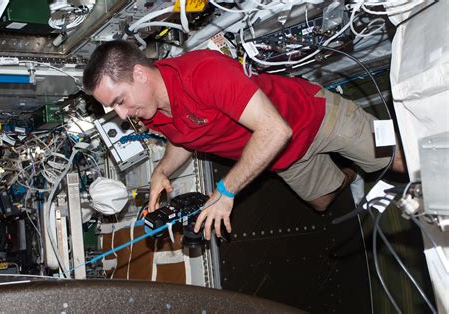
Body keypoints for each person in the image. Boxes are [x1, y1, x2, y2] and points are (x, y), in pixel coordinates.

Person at [83, 40, 404, 240]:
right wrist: (161, 171)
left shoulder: (204, 74)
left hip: (316, 117)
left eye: (120, 100)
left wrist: (225, 191)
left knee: (397, 161)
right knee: (323, 201)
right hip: (281, 157)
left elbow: (276, 130)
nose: (122, 115)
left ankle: (370, 156)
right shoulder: (152, 111)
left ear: (139, 74)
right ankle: (354, 172)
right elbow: (183, 139)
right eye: (113, 108)